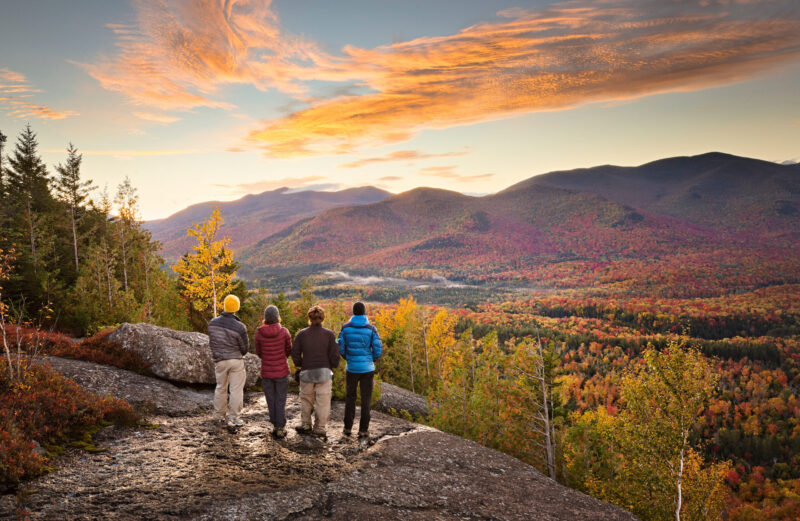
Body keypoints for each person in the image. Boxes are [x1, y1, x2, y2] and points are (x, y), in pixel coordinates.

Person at [291, 305, 340, 440]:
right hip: (324, 372)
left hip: (307, 371)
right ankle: (320, 428)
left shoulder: (302, 334)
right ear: (322, 318)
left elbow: (294, 352)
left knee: (306, 399)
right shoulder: (329, 334)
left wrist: (300, 363)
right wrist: (332, 365)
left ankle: (306, 424)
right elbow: (335, 354)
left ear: (310, 318)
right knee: (323, 401)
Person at [338, 301, 383, 438]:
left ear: (353, 312)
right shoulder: (371, 329)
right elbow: (378, 348)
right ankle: (363, 430)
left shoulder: (345, 328)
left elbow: (341, 346)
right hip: (367, 369)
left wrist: (348, 358)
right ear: (364, 312)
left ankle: (347, 428)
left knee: (350, 398)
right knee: (366, 399)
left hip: (352, 368)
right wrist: (372, 359)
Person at [208, 294, 249, 428]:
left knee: (220, 387)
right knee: (236, 390)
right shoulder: (240, 326)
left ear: (224, 306)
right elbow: (244, 348)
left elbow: (212, 343)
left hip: (220, 360)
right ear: (236, 307)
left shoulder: (212, 323)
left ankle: (218, 415)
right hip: (236, 360)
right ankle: (234, 418)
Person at [254, 305, 292, 439]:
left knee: (271, 399)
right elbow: (288, 350)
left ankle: (275, 425)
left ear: (266, 318)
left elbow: (259, 353)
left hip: (267, 373)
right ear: (277, 317)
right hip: (282, 371)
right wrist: (281, 358)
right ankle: (281, 427)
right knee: (280, 399)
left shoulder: (259, 333)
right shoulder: (284, 332)